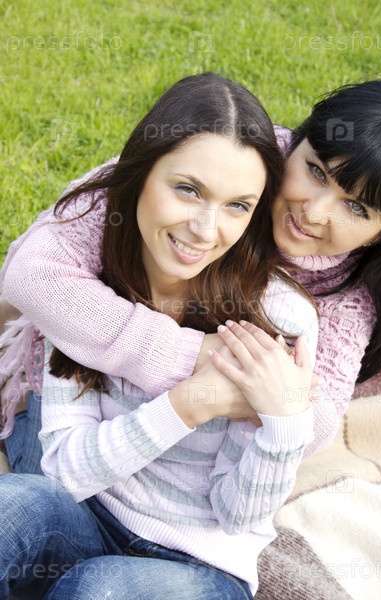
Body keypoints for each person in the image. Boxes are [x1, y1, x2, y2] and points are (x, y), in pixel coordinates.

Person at [0, 72, 318, 600]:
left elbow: (237, 515)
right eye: (188, 190)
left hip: (200, 565)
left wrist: (286, 423)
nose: (206, 229)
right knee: (11, 508)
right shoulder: (85, 290)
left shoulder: (277, 317)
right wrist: (190, 403)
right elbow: (67, 471)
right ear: (140, 174)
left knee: (100, 589)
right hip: (89, 516)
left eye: (238, 205)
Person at [1, 78, 381, 473]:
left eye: (357, 208)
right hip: (83, 383)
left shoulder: (350, 297)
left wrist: (268, 396)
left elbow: (315, 426)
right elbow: (33, 274)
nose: (313, 212)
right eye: (316, 171)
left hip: (190, 462)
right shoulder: (231, 154)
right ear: (296, 143)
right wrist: (195, 357)